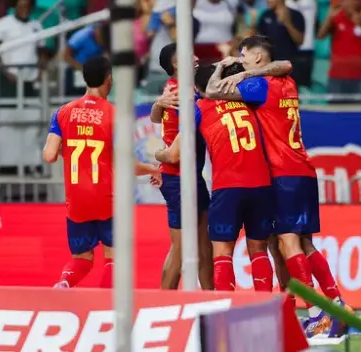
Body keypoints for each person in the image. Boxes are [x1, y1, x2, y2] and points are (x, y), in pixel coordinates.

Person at [208, 35, 353, 338]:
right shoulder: (288, 83)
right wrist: (248, 69)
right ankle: (338, 304)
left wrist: (227, 68)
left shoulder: (259, 86)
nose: (241, 61)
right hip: (304, 171)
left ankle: (316, 314)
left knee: (288, 245)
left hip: (282, 175)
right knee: (303, 243)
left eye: (244, 56)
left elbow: (211, 91)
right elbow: (284, 64)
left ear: (258, 58)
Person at [155, 63, 275, 294]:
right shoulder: (248, 100)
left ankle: (225, 310)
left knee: (222, 252)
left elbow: (173, 155)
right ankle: (263, 308)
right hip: (261, 184)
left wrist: (156, 153)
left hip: (228, 187)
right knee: (259, 251)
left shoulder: (200, 107)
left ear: (199, 89)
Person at [43, 56, 161, 289]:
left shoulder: (63, 112)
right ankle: (105, 305)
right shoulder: (115, 115)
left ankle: (65, 283)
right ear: (109, 79)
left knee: (82, 259)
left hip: (76, 200)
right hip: (106, 198)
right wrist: (152, 169)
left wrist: (72, 151)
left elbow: (49, 155)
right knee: (114, 257)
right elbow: (125, 162)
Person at [148, 43, 215, 291]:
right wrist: (159, 154)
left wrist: (157, 104)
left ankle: (211, 298)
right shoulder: (181, 93)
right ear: (176, 65)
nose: (196, 57)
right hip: (177, 178)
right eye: (190, 55)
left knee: (203, 244)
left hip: (192, 178)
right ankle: (162, 305)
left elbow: (157, 116)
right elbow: (174, 155)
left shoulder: (176, 89)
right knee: (182, 248)